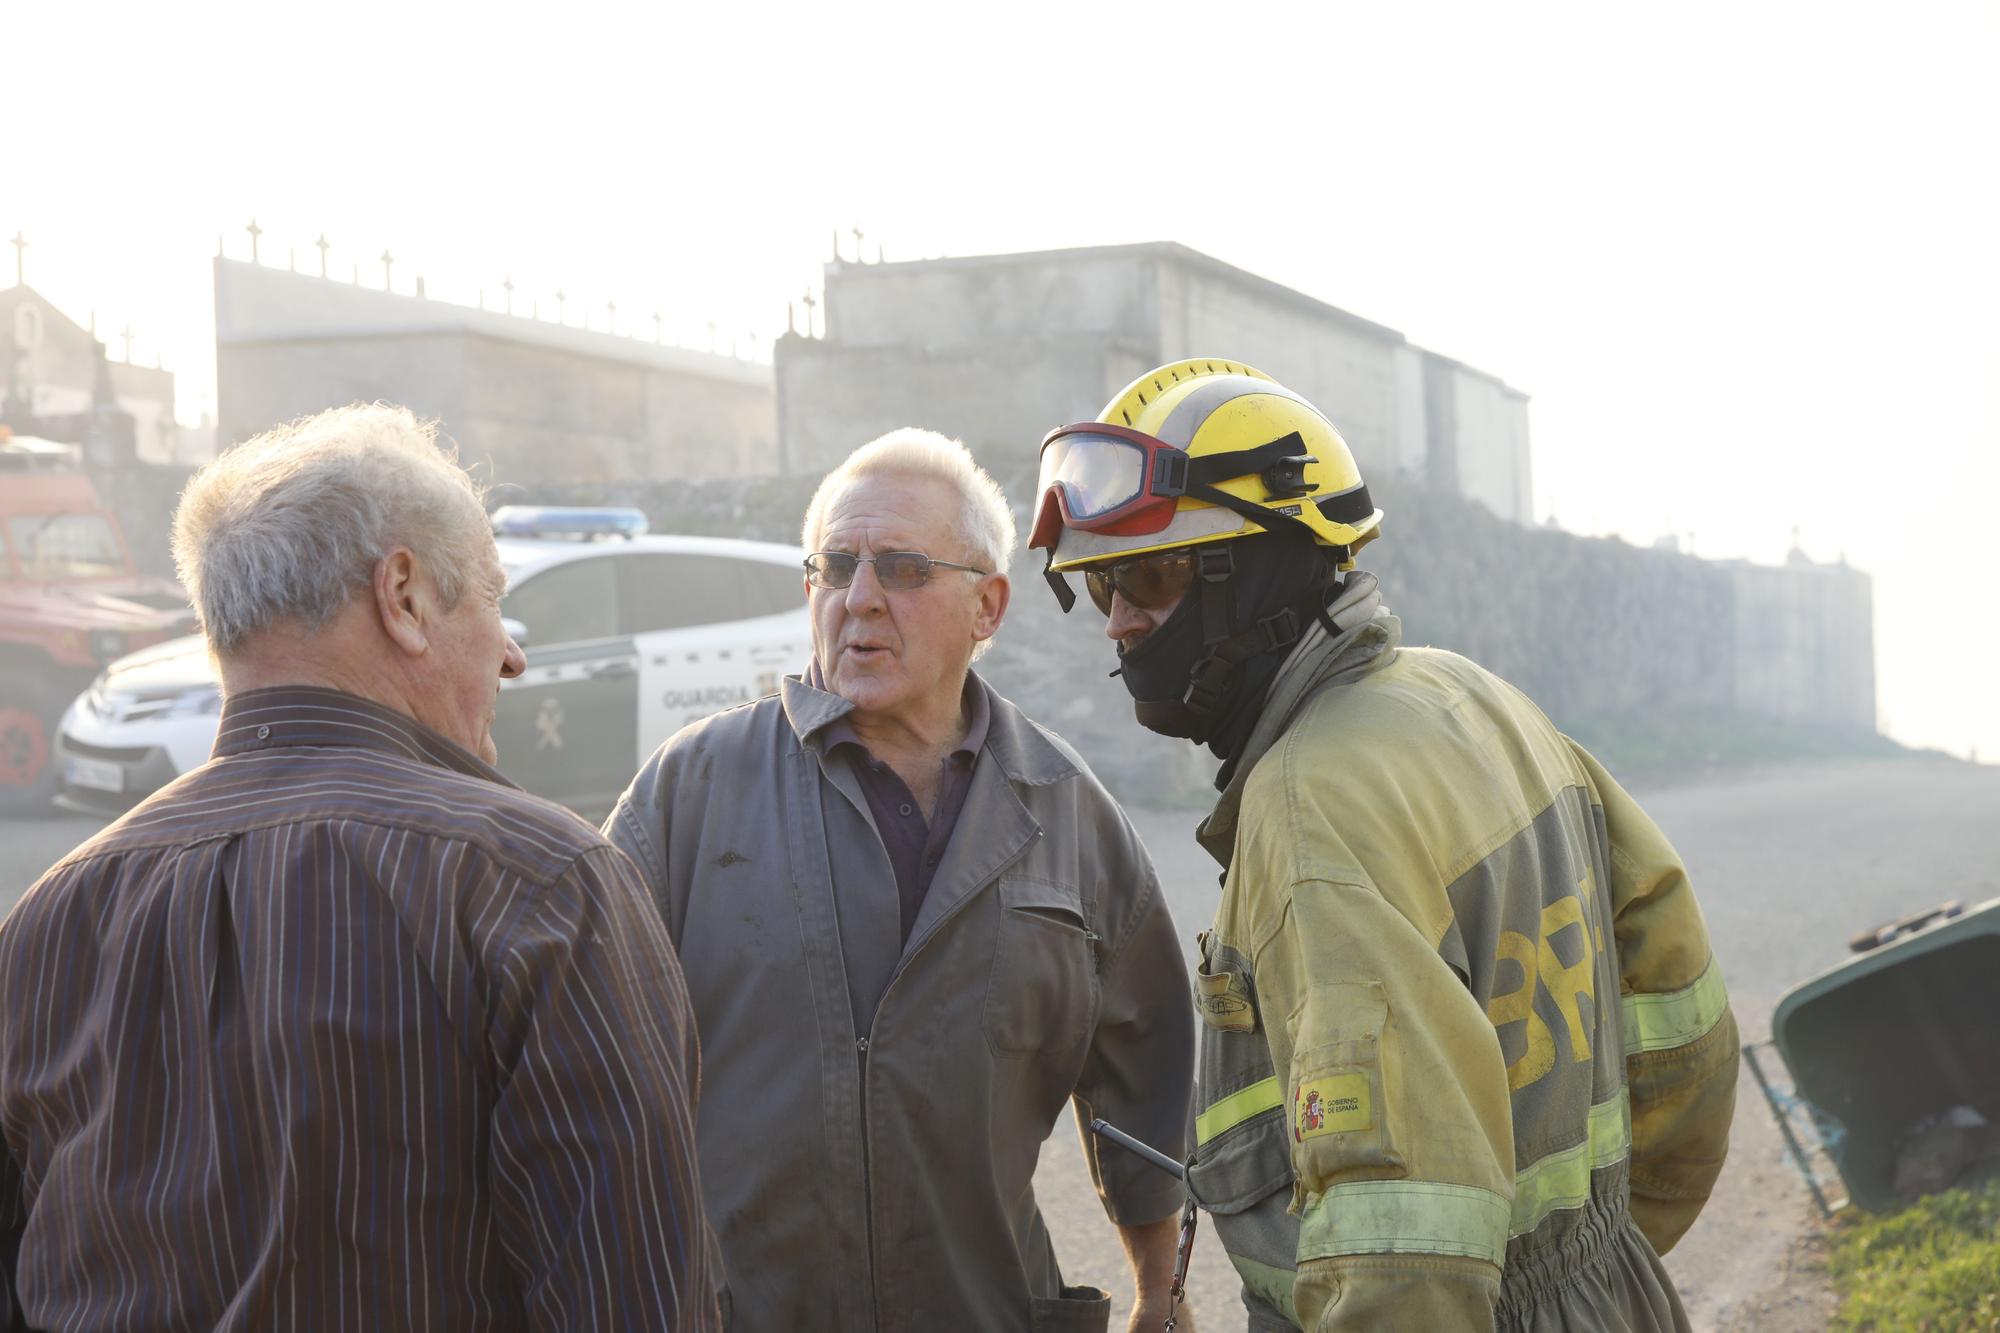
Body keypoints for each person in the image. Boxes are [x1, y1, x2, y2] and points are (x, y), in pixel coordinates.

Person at [1028, 360, 1738, 1331]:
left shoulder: (1305, 806)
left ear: (1268, 565)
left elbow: (1400, 1253)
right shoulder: (1473, 698)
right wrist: (1588, 1262)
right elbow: (1685, 1029)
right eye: (1100, 582)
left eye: (1150, 575)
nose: (1116, 621)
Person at [0, 404, 719, 1331]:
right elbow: (633, 1303)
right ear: (406, 597)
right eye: (493, 598)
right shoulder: (541, 884)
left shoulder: (48, 919)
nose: (512, 653)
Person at [604, 428, 1196, 1332]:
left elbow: (1146, 1067)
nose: (862, 598)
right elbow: (579, 1063)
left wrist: (1165, 1290)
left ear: (987, 607)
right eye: (837, 567)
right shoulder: (692, 792)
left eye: (905, 568)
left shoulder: (1066, 807)